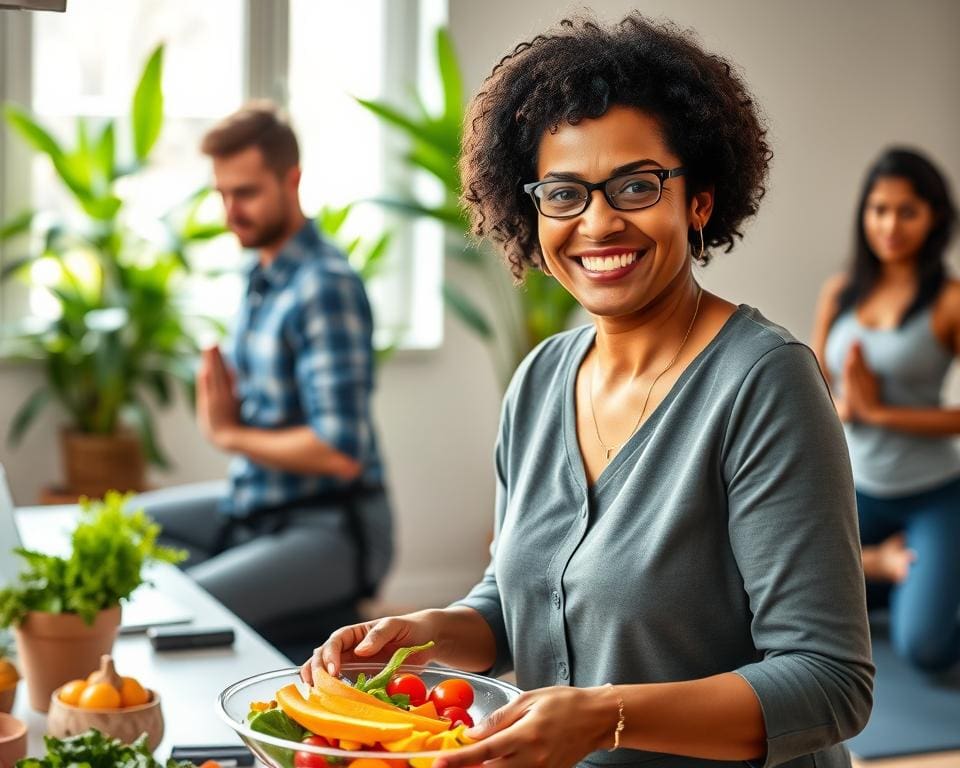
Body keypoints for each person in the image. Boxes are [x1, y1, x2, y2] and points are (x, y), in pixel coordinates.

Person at [302, 13, 873, 768]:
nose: (599, 223)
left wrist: (604, 718)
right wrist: (426, 633)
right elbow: (521, 602)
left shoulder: (764, 383)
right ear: (532, 212)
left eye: (635, 185)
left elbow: (830, 683)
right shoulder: (540, 381)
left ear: (697, 201)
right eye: (564, 194)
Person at [137, 102, 392, 653]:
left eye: (246, 193)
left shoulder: (324, 287)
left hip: (326, 527)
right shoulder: (262, 275)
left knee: (182, 612)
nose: (231, 211)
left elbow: (340, 452)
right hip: (255, 502)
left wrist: (229, 434)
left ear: (291, 180)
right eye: (222, 194)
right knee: (117, 528)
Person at [812, 147, 960, 673]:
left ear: (934, 218)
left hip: (933, 495)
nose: (890, 224)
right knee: (791, 607)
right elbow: (816, 386)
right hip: (856, 489)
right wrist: (846, 406)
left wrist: (880, 414)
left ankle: (920, 579)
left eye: (907, 211)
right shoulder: (839, 292)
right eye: (879, 209)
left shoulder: (949, 302)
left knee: (927, 648)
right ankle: (889, 569)